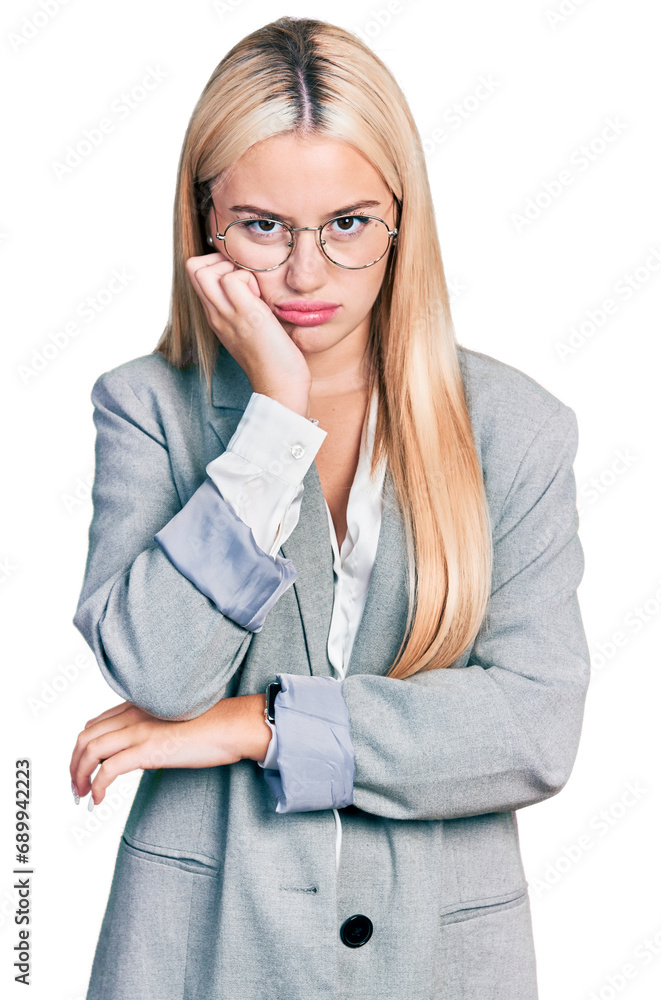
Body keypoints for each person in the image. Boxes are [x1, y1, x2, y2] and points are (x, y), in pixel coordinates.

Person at [68, 15, 591, 1000]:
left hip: (441, 964)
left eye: (348, 224)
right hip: (203, 957)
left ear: (401, 220)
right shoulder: (149, 411)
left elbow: (531, 727)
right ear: (205, 222)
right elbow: (162, 671)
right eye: (264, 226)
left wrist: (259, 726)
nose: (306, 276)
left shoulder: (518, 429)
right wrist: (272, 422)